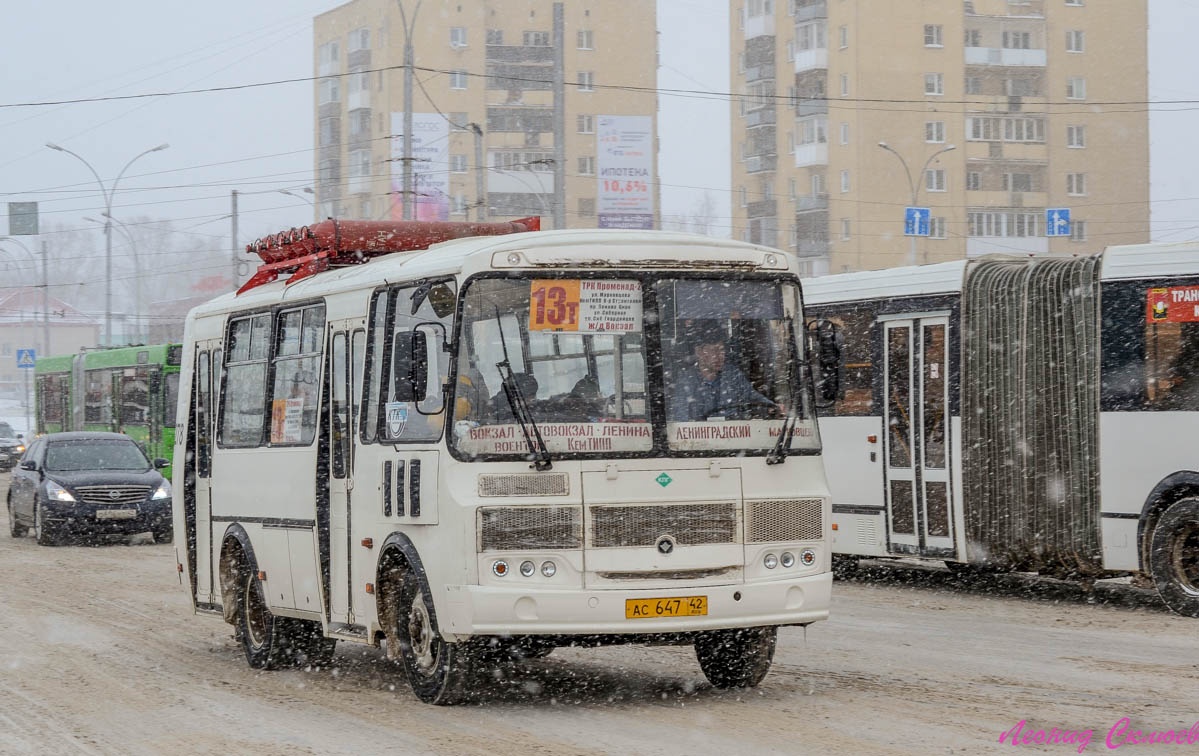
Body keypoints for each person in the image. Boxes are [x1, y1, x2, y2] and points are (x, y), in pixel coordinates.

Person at [670, 320, 774, 421]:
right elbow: (680, 421)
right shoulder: (686, 381)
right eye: (712, 350)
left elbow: (754, 398)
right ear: (699, 352)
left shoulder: (733, 375)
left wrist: (771, 407)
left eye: (721, 349)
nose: (718, 356)